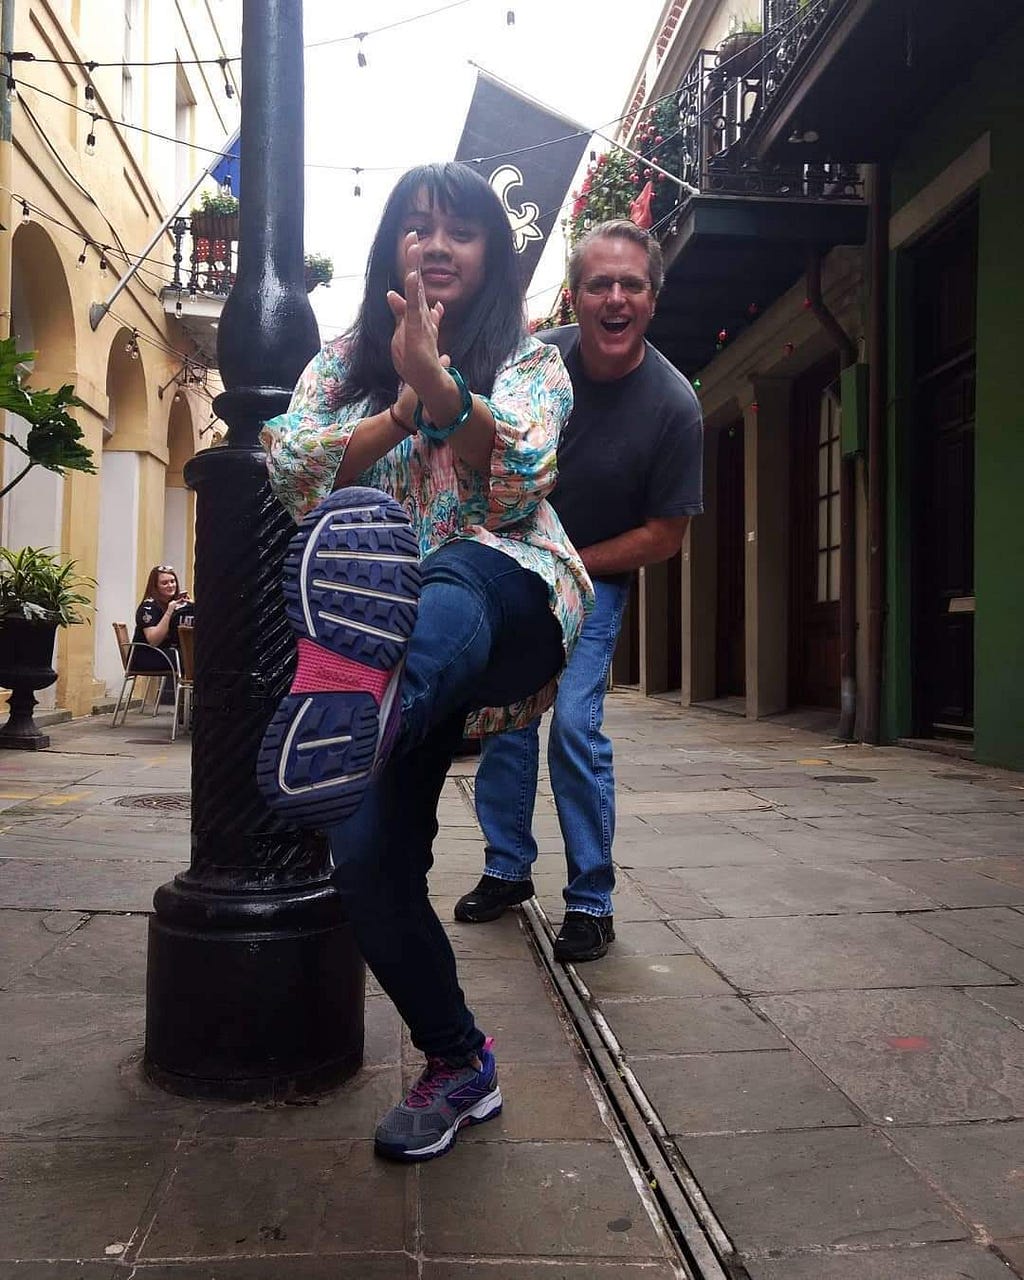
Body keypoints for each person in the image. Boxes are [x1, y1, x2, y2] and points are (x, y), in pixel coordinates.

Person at [257, 162, 591, 1163]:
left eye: (458, 229)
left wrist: (443, 386)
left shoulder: (528, 358)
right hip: (397, 654)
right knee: (366, 860)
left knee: (450, 568)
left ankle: (364, 718)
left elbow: (520, 478)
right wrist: (398, 402)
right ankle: (458, 1061)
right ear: (390, 249)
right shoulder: (344, 360)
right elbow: (291, 469)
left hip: (511, 598)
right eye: (415, 227)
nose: (435, 243)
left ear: (491, 253)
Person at [456, 219, 704, 963]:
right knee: (504, 720)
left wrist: (568, 561)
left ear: (653, 299)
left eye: (632, 284)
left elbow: (666, 536)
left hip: (594, 586)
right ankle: (507, 868)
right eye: (600, 283)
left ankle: (592, 901)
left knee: (573, 729)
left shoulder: (675, 405)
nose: (616, 297)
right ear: (576, 294)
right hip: (518, 568)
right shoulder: (537, 363)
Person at [131, 564, 194, 684]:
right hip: (145, 656)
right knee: (191, 659)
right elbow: (154, 640)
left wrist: (192, 606)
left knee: (197, 655)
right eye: (164, 583)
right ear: (155, 587)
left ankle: (188, 698)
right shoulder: (148, 607)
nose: (170, 586)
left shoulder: (173, 604)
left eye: (173, 581)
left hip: (166, 652)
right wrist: (170, 611)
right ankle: (185, 699)